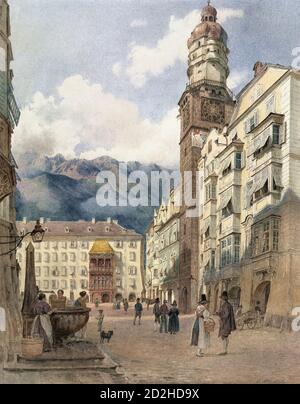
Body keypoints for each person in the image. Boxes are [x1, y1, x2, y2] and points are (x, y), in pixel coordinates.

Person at [217, 291, 236, 355]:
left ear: (223, 299)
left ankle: (224, 350)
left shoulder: (226, 305)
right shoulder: (226, 304)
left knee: (224, 336)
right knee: (225, 336)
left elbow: (226, 315)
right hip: (226, 323)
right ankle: (225, 350)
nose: (221, 300)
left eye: (221, 298)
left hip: (226, 323)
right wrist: (218, 313)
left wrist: (220, 316)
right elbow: (224, 313)